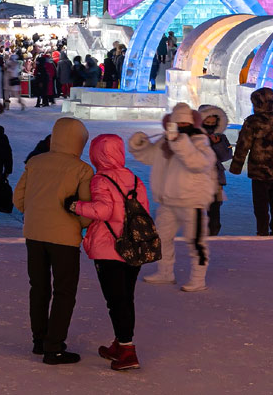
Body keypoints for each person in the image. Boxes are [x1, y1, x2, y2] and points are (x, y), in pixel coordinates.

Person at [13, 116, 94, 365]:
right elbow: (85, 211)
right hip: (64, 239)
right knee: (64, 292)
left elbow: (18, 200)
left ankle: (39, 340)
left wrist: (36, 213)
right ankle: (54, 347)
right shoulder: (82, 169)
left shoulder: (35, 162)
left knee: (38, 288)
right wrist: (79, 226)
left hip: (34, 235)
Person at [70, 133, 150, 372]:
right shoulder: (134, 179)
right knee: (126, 297)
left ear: (97, 154)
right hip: (134, 246)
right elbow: (143, 210)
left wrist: (76, 206)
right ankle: (120, 342)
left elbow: (103, 210)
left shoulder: (100, 179)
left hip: (110, 248)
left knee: (116, 300)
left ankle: (127, 349)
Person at [128, 102, 216, 291]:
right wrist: (139, 145)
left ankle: (198, 278)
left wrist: (178, 142)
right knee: (161, 238)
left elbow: (199, 163)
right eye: (177, 123)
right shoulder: (164, 142)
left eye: (185, 123)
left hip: (192, 201)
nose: (181, 127)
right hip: (167, 201)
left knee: (196, 242)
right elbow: (148, 157)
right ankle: (165, 272)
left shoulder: (199, 140)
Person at [229, 86, 273, 237]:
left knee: (261, 205)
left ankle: (262, 231)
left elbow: (243, 145)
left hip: (259, 171)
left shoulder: (252, 122)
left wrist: (236, 166)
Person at [198, 104, 232, 236]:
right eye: (207, 122)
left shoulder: (221, 137)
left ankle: (212, 237)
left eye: (213, 123)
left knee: (214, 214)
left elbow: (227, 156)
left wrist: (217, 144)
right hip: (197, 180)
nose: (210, 125)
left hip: (215, 181)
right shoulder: (193, 137)